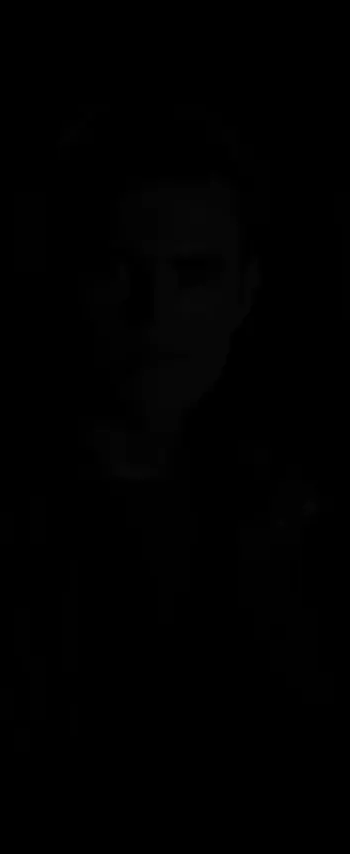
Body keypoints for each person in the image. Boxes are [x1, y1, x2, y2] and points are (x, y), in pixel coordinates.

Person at [38, 101, 339, 734]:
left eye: (194, 274)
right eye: (118, 269)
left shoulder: (274, 511)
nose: (157, 313)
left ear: (245, 292)